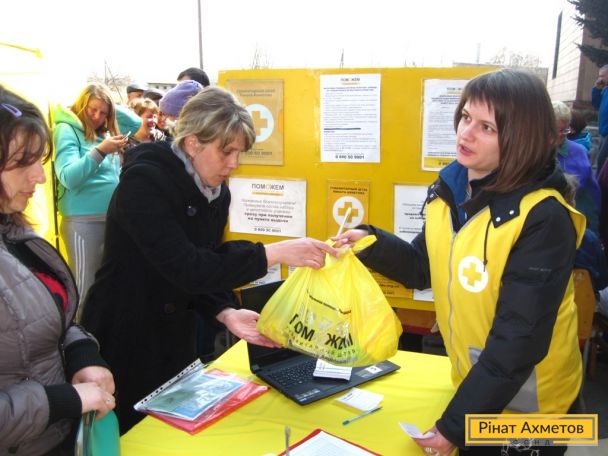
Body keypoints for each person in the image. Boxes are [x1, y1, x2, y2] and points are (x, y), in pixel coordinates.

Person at [335, 70, 585, 456]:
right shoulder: (451, 192)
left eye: (487, 127)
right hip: (476, 388)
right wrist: (369, 242)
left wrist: (455, 427)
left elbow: (517, 342)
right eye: (466, 117)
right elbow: (423, 266)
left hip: (535, 409)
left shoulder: (544, 218)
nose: (465, 133)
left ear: (521, 137)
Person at [81, 86, 336, 434]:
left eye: (239, 152)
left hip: (174, 340)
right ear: (192, 143)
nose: (234, 163)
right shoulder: (144, 182)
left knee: (174, 434)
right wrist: (272, 253)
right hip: (127, 336)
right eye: (226, 151)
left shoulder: (215, 190)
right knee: (133, 436)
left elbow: (206, 261)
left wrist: (225, 311)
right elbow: (186, 266)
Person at [0, 86, 116, 455]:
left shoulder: (16, 234)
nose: (40, 176)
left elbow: (52, 319)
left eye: (40, 160)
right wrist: (63, 400)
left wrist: (82, 355)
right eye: (22, 162)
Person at [52, 83, 140, 317]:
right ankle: (76, 336)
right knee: (84, 289)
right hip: (83, 221)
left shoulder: (105, 131)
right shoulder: (66, 129)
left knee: (108, 286)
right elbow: (68, 177)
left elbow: (136, 123)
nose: (97, 117)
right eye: (92, 109)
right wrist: (100, 151)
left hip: (112, 218)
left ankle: (100, 335)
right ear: (81, 105)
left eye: (103, 113)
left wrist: (109, 103)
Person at [553, 101, 601, 235]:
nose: (562, 134)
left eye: (565, 130)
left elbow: (575, 187)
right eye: (557, 130)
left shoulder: (578, 152)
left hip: (580, 212)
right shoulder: (538, 149)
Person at [592, 64, 608, 173]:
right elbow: (596, 104)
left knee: (602, 162)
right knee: (600, 162)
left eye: (602, 76)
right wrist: (596, 89)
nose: (600, 79)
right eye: (599, 76)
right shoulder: (605, 90)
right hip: (603, 132)